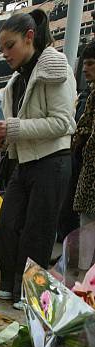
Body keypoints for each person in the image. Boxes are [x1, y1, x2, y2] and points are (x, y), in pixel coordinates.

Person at [0, 9, 76, 309]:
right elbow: (16, 128)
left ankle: (30, 294)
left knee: (37, 231)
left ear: (29, 37)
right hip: (23, 162)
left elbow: (63, 122)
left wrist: (13, 128)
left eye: (9, 45)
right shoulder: (16, 81)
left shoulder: (54, 65)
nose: (5, 54)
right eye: (1, 48)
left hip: (53, 160)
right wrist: (0, 140)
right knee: (8, 222)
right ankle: (10, 285)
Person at [72, 42, 95, 271]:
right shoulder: (90, 96)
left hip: (91, 174)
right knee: (87, 225)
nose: (85, 69)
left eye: (90, 64)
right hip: (88, 171)